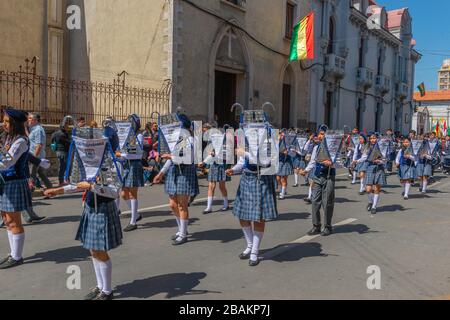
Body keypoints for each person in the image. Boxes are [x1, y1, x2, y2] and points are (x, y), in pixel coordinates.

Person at [44, 171, 122, 300]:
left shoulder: (112, 163)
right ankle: (100, 285)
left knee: (100, 251)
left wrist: (91, 187)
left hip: (103, 209)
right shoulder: (90, 164)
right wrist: (58, 190)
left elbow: (114, 192)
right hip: (90, 208)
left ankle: (107, 292)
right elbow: (79, 185)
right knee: (93, 250)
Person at [225, 140, 278, 267]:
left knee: (259, 218)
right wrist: (233, 169)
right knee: (242, 216)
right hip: (246, 178)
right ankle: (249, 245)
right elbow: (242, 163)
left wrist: (245, 153)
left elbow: (266, 162)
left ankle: (254, 251)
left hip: (261, 179)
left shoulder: (268, 140)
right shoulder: (246, 140)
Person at [153, 114, 199, 245]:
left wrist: (170, 156)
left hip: (185, 173)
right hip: (174, 172)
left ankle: (183, 234)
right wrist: (161, 173)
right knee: (172, 205)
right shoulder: (176, 140)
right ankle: (181, 229)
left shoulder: (190, 139)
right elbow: (171, 159)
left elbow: (187, 159)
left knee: (182, 205)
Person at [0, 108, 33, 269]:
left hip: (14, 182)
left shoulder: (20, 141)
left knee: (14, 221)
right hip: (4, 181)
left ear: (15, 123)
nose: (3, 124)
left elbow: (7, 162)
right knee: (6, 219)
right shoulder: (7, 138)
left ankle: (17, 256)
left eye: (7, 121)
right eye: (4, 121)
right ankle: (13, 252)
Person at [300, 125, 336, 236]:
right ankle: (316, 226)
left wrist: (332, 164)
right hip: (317, 176)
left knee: (327, 203)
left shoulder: (333, 148)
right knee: (315, 201)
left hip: (328, 176)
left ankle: (328, 227)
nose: (321, 136)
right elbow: (313, 161)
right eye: (320, 134)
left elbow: (340, 162)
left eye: (323, 133)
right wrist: (306, 171)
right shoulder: (316, 147)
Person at [116, 115, 144, 232]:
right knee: (123, 193)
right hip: (127, 165)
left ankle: (133, 221)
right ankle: (136, 215)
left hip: (134, 164)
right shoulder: (127, 137)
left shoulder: (139, 136)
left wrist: (120, 155)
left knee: (132, 193)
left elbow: (137, 154)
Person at [354, 133, 387, 215]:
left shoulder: (382, 146)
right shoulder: (367, 146)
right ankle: (371, 201)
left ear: (377, 139)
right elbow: (364, 157)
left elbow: (385, 158)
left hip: (379, 168)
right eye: (371, 138)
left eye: (374, 138)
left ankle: (374, 207)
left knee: (377, 188)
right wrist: (357, 161)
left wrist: (379, 161)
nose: (373, 140)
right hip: (369, 167)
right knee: (368, 189)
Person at [200, 148, 230, 214]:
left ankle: (226, 204)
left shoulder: (225, 140)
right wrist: (205, 162)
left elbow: (229, 153)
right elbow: (208, 152)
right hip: (213, 164)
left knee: (221, 186)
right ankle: (209, 207)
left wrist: (217, 154)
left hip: (222, 164)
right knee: (211, 186)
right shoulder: (211, 140)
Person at [27, 113, 53, 189]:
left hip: (36, 156)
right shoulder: (34, 129)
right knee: (41, 173)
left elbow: (39, 145)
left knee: (31, 175)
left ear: (35, 120)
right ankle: (50, 189)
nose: (28, 120)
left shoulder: (38, 130)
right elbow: (31, 139)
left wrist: (34, 158)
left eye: (30, 118)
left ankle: (30, 193)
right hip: (35, 155)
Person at [51, 119, 71, 186]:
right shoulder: (63, 134)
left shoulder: (55, 133)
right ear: (63, 126)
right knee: (63, 167)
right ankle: (61, 181)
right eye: (66, 125)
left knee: (62, 166)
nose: (68, 126)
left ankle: (64, 180)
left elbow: (52, 141)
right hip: (63, 152)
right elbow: (68, 142)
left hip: (58, 151)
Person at [276, 131, 293, 200]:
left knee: (283, 179)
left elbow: (292, 153)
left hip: (286, 162)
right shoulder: (277, 142)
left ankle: (282, 194)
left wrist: (287, 152)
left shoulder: (288, 144)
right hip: (279, 162)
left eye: (283, 136)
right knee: (278, 178)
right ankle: (283, 188)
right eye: (281, 135)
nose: (282, 137)